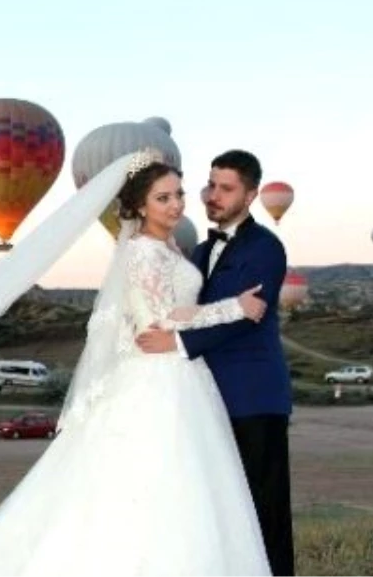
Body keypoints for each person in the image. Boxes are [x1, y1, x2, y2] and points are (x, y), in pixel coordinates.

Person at [0, 149, 273, 576]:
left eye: (179, 193)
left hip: (183, 378)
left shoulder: (176, 249)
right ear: (140, 205)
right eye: (163, 198)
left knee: (185, 489)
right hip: (157, 380)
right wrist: (234, 307)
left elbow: (177, 313)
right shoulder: (142, 251)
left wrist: (190, 316)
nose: (178, 204)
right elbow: (158, 321)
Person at [136, 149, 295, 577]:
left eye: (226, 189)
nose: (213, 196)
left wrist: (178, 342)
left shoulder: (266, 248)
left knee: (265, 509)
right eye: (211, 186)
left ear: (251, 194)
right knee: (220, 512)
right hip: (202, 400)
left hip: (253, 397)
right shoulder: (200, 251)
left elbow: (246, 316)